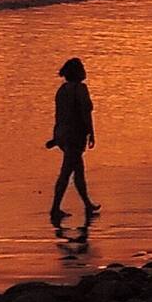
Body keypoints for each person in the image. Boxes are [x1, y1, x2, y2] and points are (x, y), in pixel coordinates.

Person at [45, 58, 101, 218]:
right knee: (67, 172)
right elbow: (86, 113)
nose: (84, 70)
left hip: (63, 134)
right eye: (82, 67)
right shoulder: (80, 89)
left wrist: (56, 137)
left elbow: (59, 116)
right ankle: (55, 208)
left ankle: (87, 204)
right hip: (75, 136)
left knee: (78, 170)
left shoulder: (61, 90)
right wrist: (91, 134)